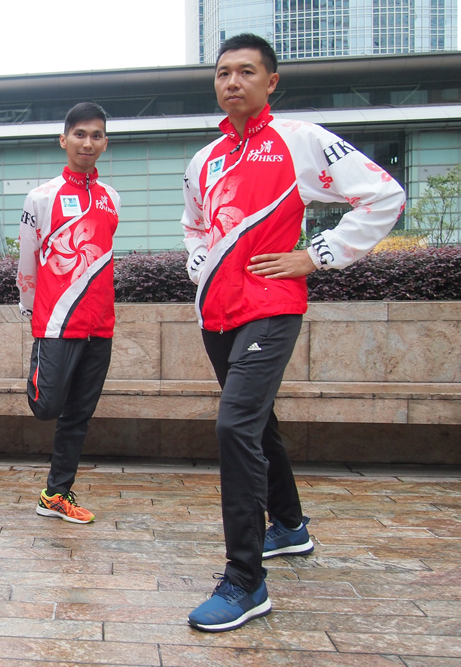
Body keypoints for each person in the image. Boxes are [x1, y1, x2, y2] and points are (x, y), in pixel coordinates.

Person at [181, 33, 405, 632]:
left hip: (272, 307)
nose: (232, 82)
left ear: (271, 81)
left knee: (234, 425)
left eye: (246, 71)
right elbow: (194, 225)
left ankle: (246, 581)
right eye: (223, 72)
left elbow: (384, 195)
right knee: (256, 422)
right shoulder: (204, 159)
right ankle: (289, 525)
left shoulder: (299, 139)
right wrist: (199, 264)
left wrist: (317, 255)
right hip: (217, 315)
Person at [17, 102, 120, 525]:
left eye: (96, 135)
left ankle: (55, 494)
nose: (87, 142)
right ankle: (39, 368)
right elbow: (27, 259)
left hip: (100, 326)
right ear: (64, 140)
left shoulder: (112, 198)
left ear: (105, 143)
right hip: (57, 323)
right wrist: (30, 310)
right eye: (80, 134)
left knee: (79, 415)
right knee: (47, 406)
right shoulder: (41, 197)